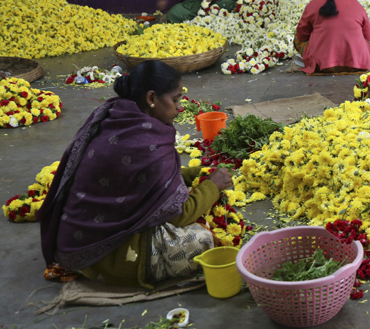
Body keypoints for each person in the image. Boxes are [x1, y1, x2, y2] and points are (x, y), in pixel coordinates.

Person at [38, 61, 233, 288]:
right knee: (202, 240)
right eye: (175, 99)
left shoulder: (116, 115)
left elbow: (137, 178)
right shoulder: (146, 141)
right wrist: (212, 185)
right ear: (151, 98)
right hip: (107, 255)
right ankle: (122, 270)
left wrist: (194, 175)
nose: (180, 107)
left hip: (75, 239)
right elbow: (179, 214)